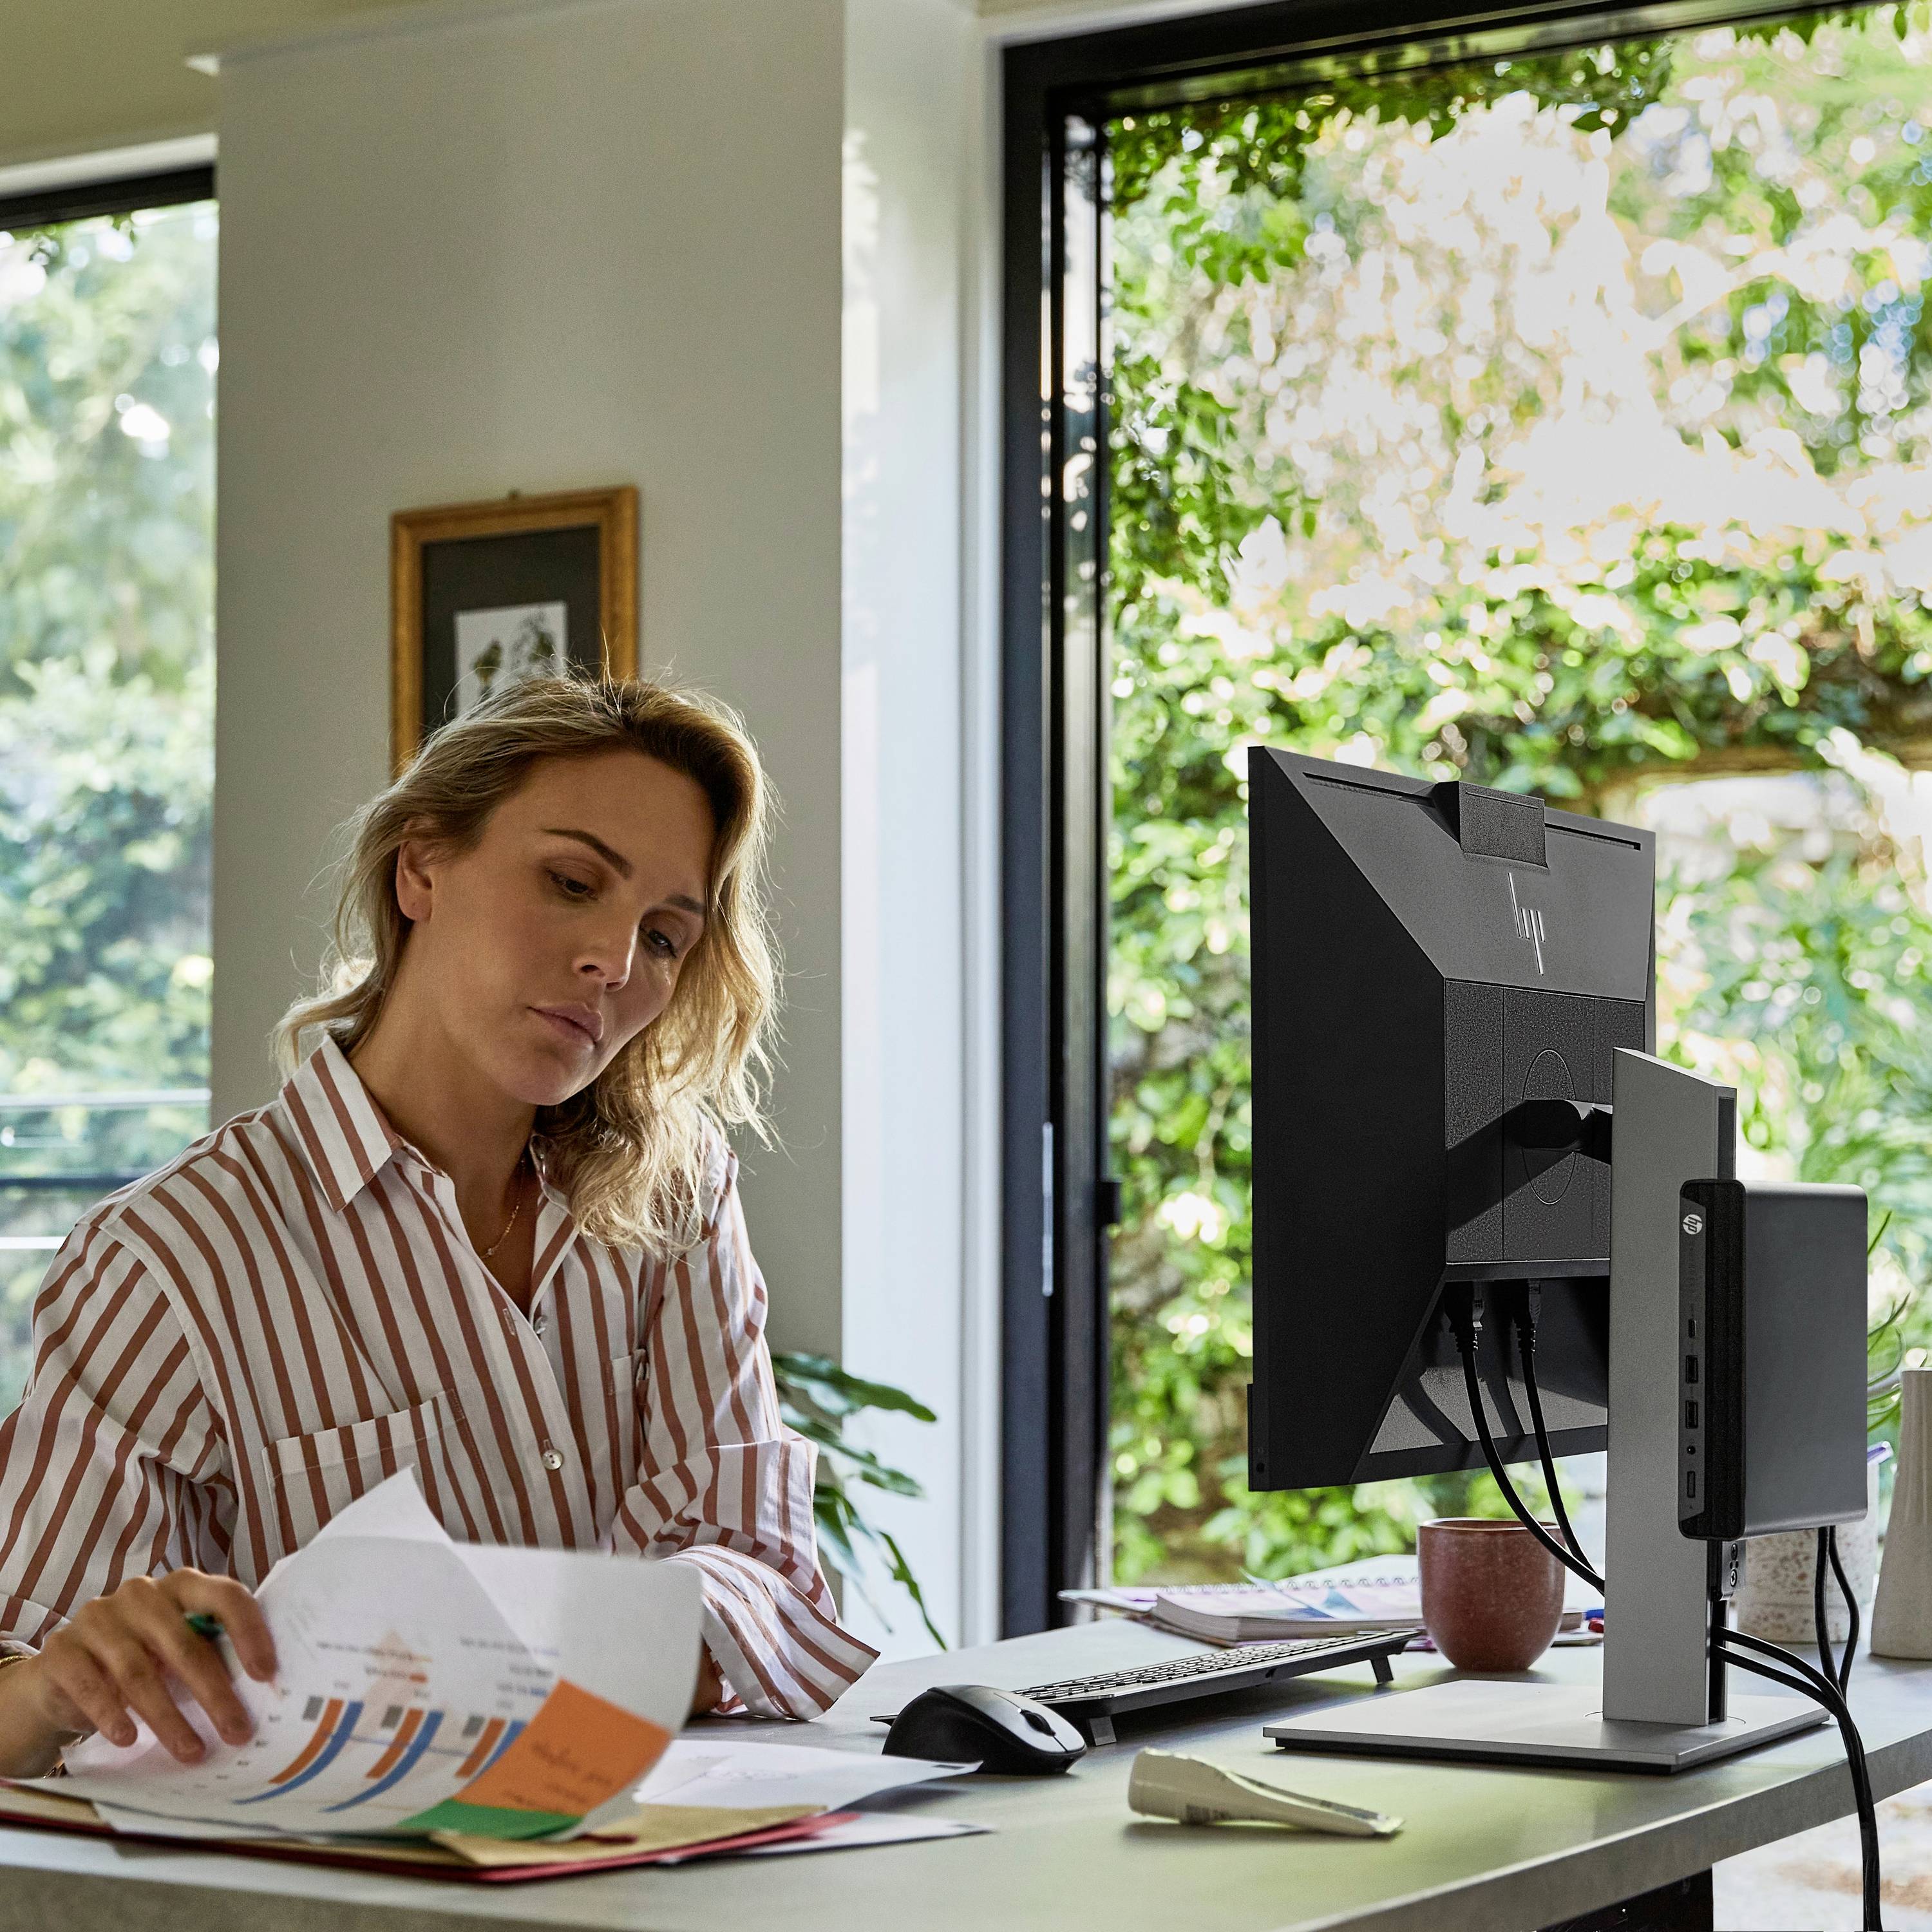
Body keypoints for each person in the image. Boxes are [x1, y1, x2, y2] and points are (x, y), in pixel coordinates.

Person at [0, 675, 875, 1778]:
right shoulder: (172, 1260)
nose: (615, 959)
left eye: (663, 936)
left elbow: (766, 1577)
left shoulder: (679, 1193)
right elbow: (34, 1692)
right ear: (421, 869)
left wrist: (460, 1659)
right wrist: (59, 1680)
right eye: (571, 882)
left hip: (657, 1868)